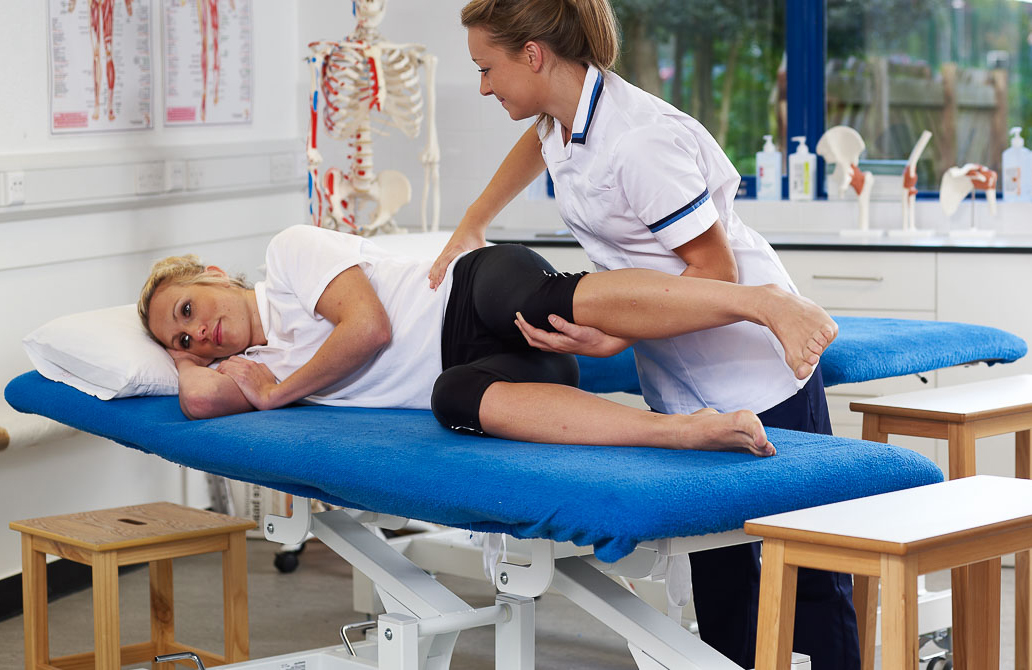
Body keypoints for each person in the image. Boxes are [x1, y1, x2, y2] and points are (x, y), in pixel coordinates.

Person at [424, 1, 860, 667]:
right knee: (720, 571)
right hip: (681, 378)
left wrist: (617, 335)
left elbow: (713, 270)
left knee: (805, 568)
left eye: (489, 68)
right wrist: (474, 221)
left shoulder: (637, 143)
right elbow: (532, 148)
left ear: (534, 55)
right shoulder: (564, 119)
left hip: (753, 368)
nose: (484, 85)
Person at [138, 224, 834, 459]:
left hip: (477, 291)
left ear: (214, 273)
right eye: (186, 335)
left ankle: (760, 302)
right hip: (489, 369)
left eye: (190, 306)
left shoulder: (287, 257)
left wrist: (279, 394)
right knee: (452, 400)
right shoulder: (250, 365)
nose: (199, 330)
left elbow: (369, 327)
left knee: (538, 297)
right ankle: (683, 432)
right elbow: (197, 404)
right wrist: (178, 354)